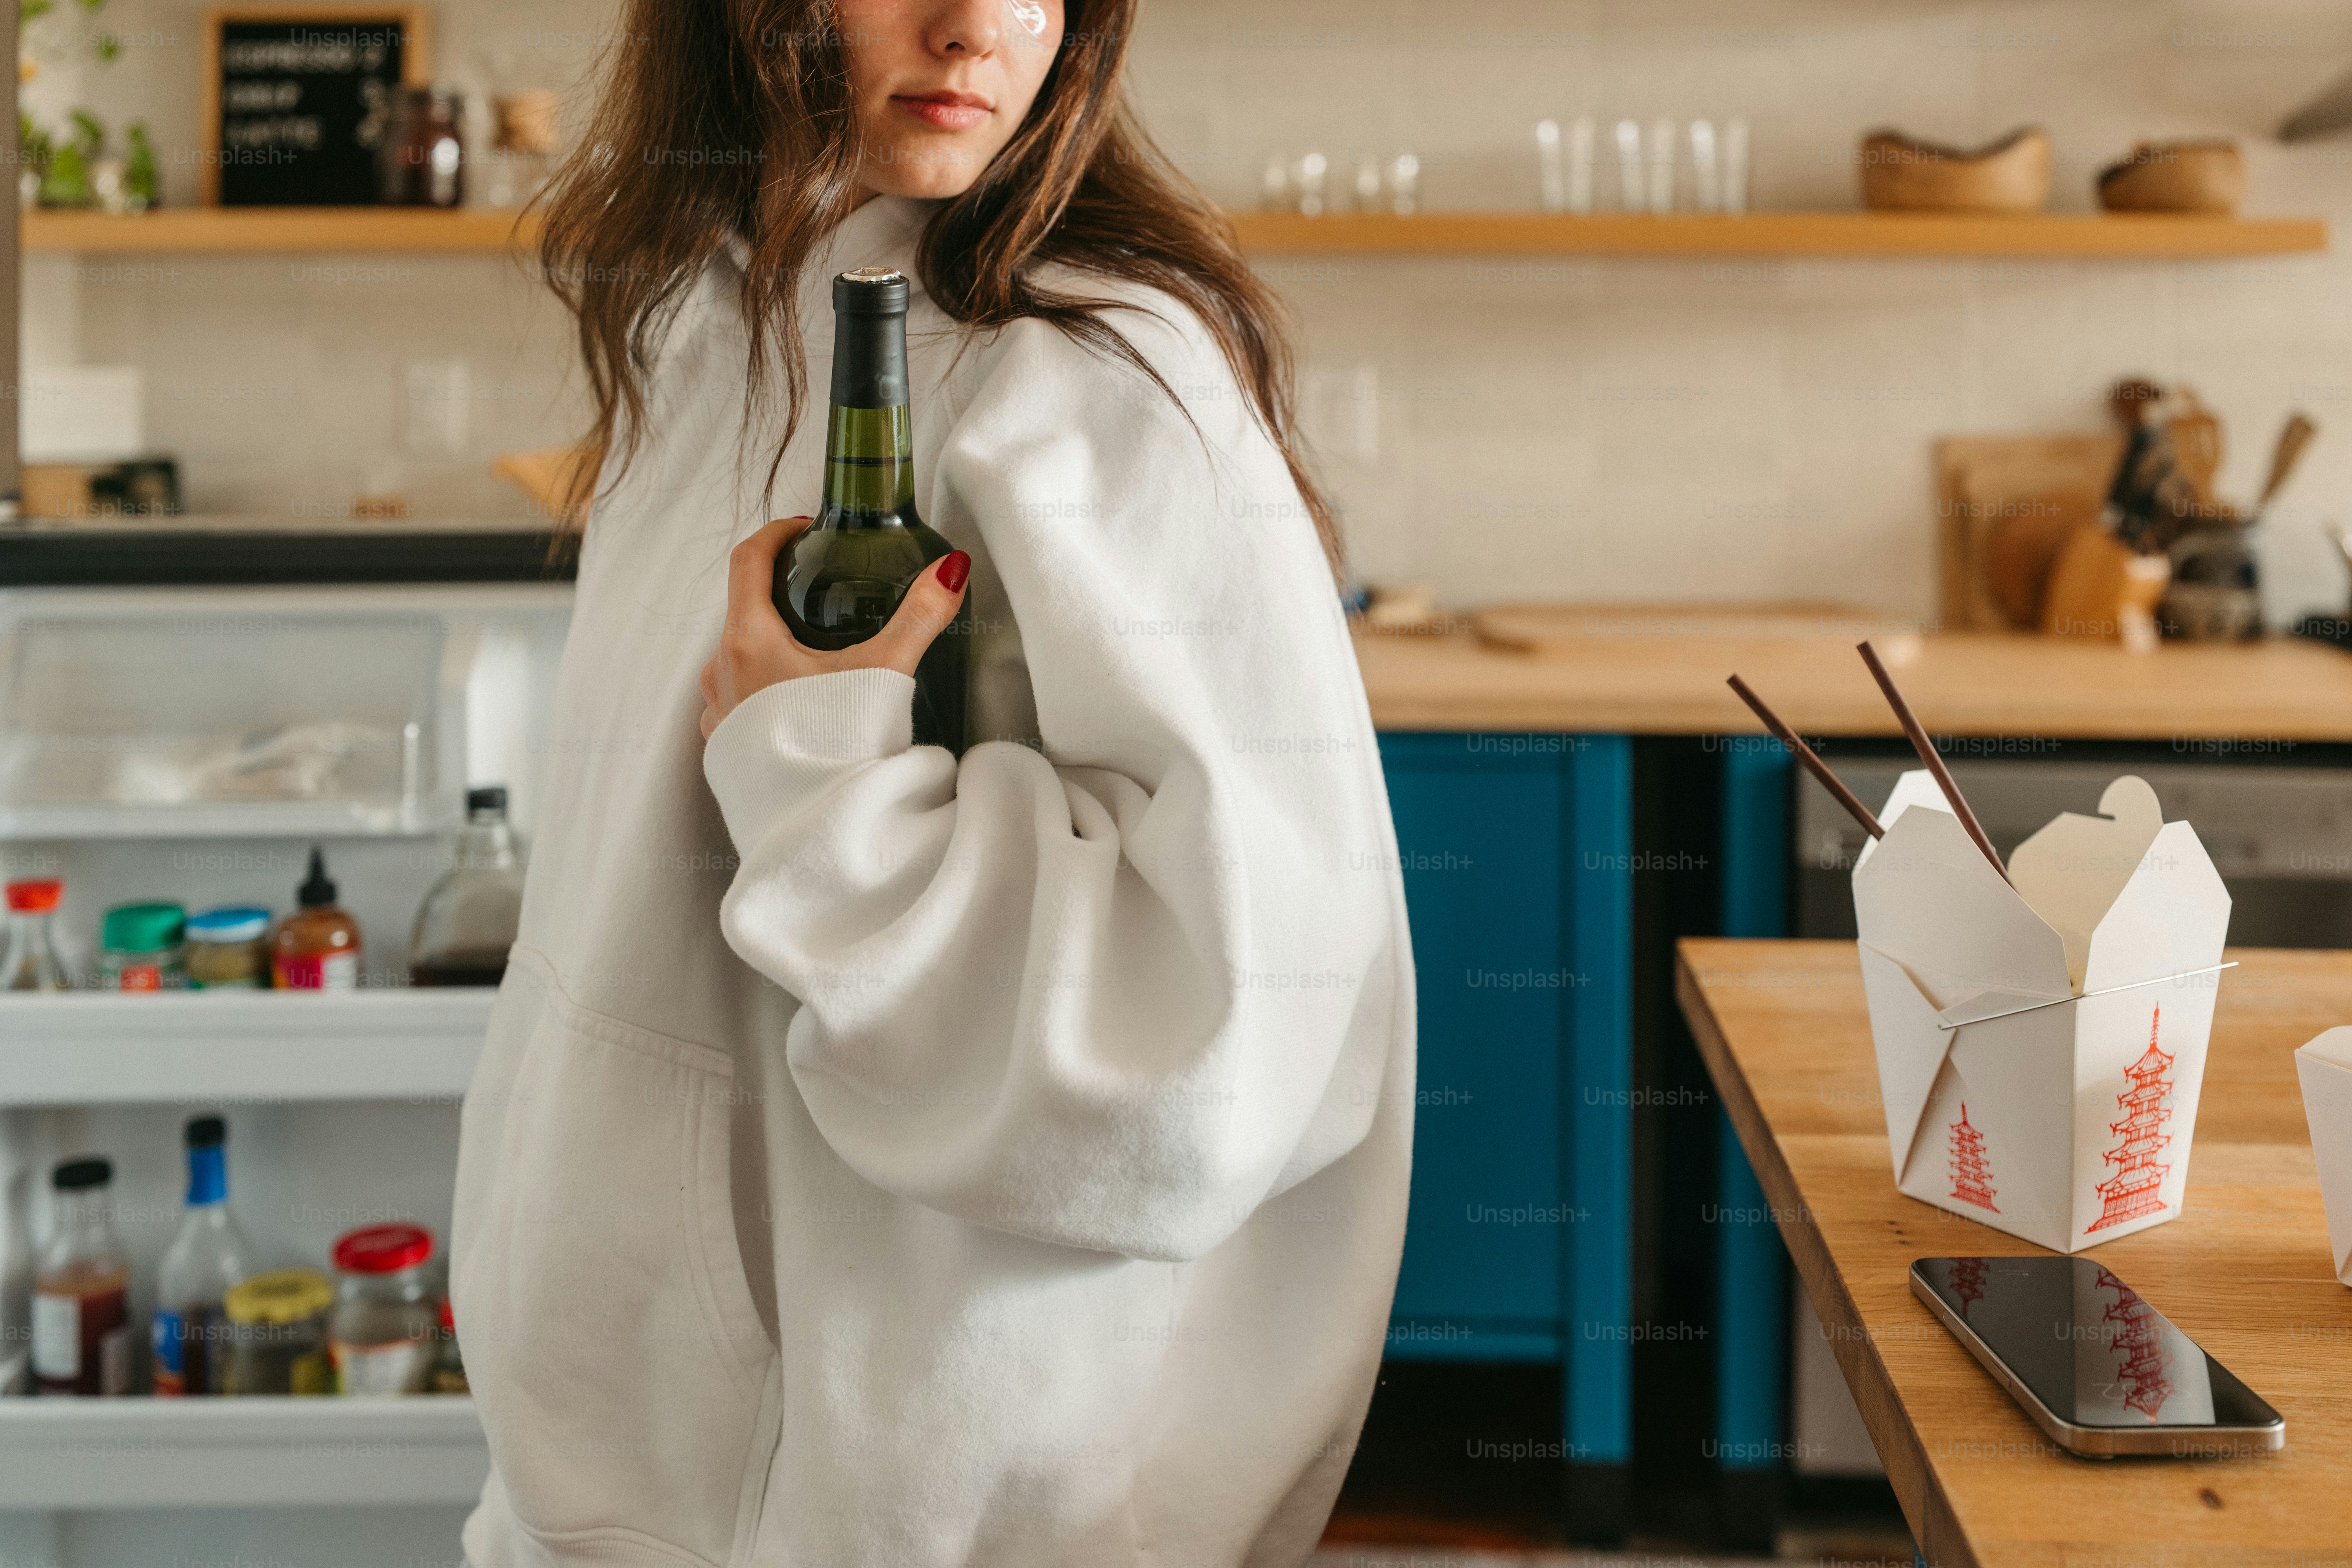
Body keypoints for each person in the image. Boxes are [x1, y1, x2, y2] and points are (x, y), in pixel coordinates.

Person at [449, 0, 1414, 1562]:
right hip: (627, 1499)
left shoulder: (1098, 373)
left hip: (917, 1514)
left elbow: (1222, 1037)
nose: (976, 26)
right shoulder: (702, 327)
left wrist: (827, 793)